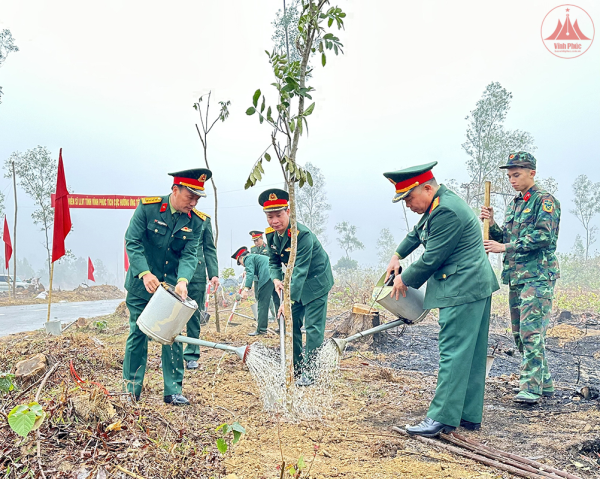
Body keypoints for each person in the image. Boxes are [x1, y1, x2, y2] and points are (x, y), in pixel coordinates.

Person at [384, 162, 499, 437]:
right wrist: (397, 255)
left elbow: (432, 257)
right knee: (470, 354)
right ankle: (467, 416)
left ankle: (440, 418)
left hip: (461, 289)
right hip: (474, 286)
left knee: (454, 352)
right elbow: (417, 233)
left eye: (409, 198)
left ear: (426, 187)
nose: (408, 205)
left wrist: (404, 279)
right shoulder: (439, 203)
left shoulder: (445, 210)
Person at [480, 152, 560, 404]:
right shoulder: (516, 203)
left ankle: (531, 387)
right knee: (519, 333)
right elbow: (506, 237)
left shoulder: (544, 201)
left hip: (538, 276)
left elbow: (545, 237)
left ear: (531, 173)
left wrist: (505, 247)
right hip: (517, 277)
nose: (512, 180)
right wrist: (491, 224)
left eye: (516, 175)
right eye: (509, 176)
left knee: (530, 332)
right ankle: (544, 382)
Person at [123, 168, 208, 406]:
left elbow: (190, 254)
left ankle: (173, 390)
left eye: (197, 198)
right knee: (138, 333)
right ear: (175, 190)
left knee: (171, 335)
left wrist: (182, 281)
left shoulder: (196, 221)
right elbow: (133, 241)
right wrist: (144, 272)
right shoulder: (148, 209)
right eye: (189, 196)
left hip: (171, 288)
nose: (194, 202)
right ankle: (130, 390)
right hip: (142, 285)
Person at [259, 188, 333, 386]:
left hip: (316, 282)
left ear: (288, 212)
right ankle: (296, 368)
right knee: (291, 325)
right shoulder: (271, 236)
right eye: (270, 216)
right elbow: (273, 262)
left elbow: (300, 270)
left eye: (279, 215)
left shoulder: (302, 235)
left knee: (313, 327)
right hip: (294, 283)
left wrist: (286, 301)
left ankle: (311, 372)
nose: (275, 221)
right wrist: (276, 278)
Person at [182, 169, 219, 370]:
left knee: (194, 315)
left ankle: (191, 354)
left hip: (196, 275)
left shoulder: (203, 220)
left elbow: (209, 249)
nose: (193, 202)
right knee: (172, 315)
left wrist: (213, 273)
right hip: (172, 275)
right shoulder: (174, 216)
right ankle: (171, 352)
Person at [231, 246, 281, 336]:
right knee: (278, 302)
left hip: (267, 276)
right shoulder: (255, 257)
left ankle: (261, 329)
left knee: (262, 303)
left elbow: (250, 273)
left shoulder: (247, 258)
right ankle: (283, 327)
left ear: (241, 258)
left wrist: (246, 289)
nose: (243, 265)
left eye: (240, 263)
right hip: (276, 275)